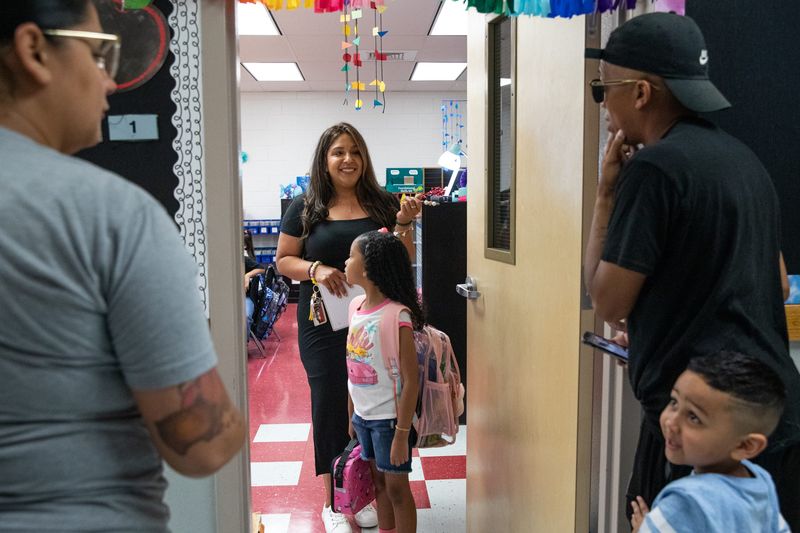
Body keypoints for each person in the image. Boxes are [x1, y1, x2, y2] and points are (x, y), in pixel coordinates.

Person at [0, 2, 245, 531]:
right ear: (34, 50)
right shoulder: (111, 214)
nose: (110, 82)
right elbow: (203, 445)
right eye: (99, 54)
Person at [583, 12, 800, 528]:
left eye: (603, 89)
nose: (604, 104)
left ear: (640, 92)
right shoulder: (745, 161)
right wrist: (664, 325)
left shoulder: (654, 170)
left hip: (701, 435)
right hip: (767, 420)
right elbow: (776, 283)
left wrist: (607, 193)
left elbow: (608, 302)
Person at [275, 122, 421, 533]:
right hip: (322, 322)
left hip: (375, 325)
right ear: (325, 158)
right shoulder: (305, 207)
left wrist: (404, 224)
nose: (348, 159)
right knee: (329, 403)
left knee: (372, 404)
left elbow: (400, 261)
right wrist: (316, 268)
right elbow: (283, 260)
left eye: (355, 152)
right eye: (338, 151)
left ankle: (367, 493)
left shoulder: (382, 203)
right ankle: (335, 503)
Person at [631, 351, 790, 532]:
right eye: (674, 402)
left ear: (745, 445)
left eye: (694, 417)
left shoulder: (684, 503)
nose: (670, 422)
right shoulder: (759, 481)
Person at [345, 229, 422, 533]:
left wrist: (402, 434)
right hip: (364, 416)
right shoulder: (356, 307)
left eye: (351, 256)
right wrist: (351, 412)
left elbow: (410, 380)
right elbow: (350, 363)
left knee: (398, 490)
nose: (345, 261)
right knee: (378, 484)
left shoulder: (396, 315)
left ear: (367, 269)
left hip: (390, 421)